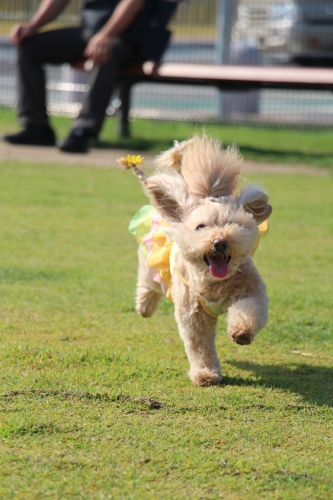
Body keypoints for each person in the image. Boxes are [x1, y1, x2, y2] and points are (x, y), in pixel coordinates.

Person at [3, 0, 178, 153]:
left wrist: (107, 34)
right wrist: (33, 25)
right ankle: (36, 128)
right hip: (90, 32)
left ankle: (83, 131)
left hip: (130, 37)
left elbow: (134, 3)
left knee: (107, 52)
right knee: (30, 46)